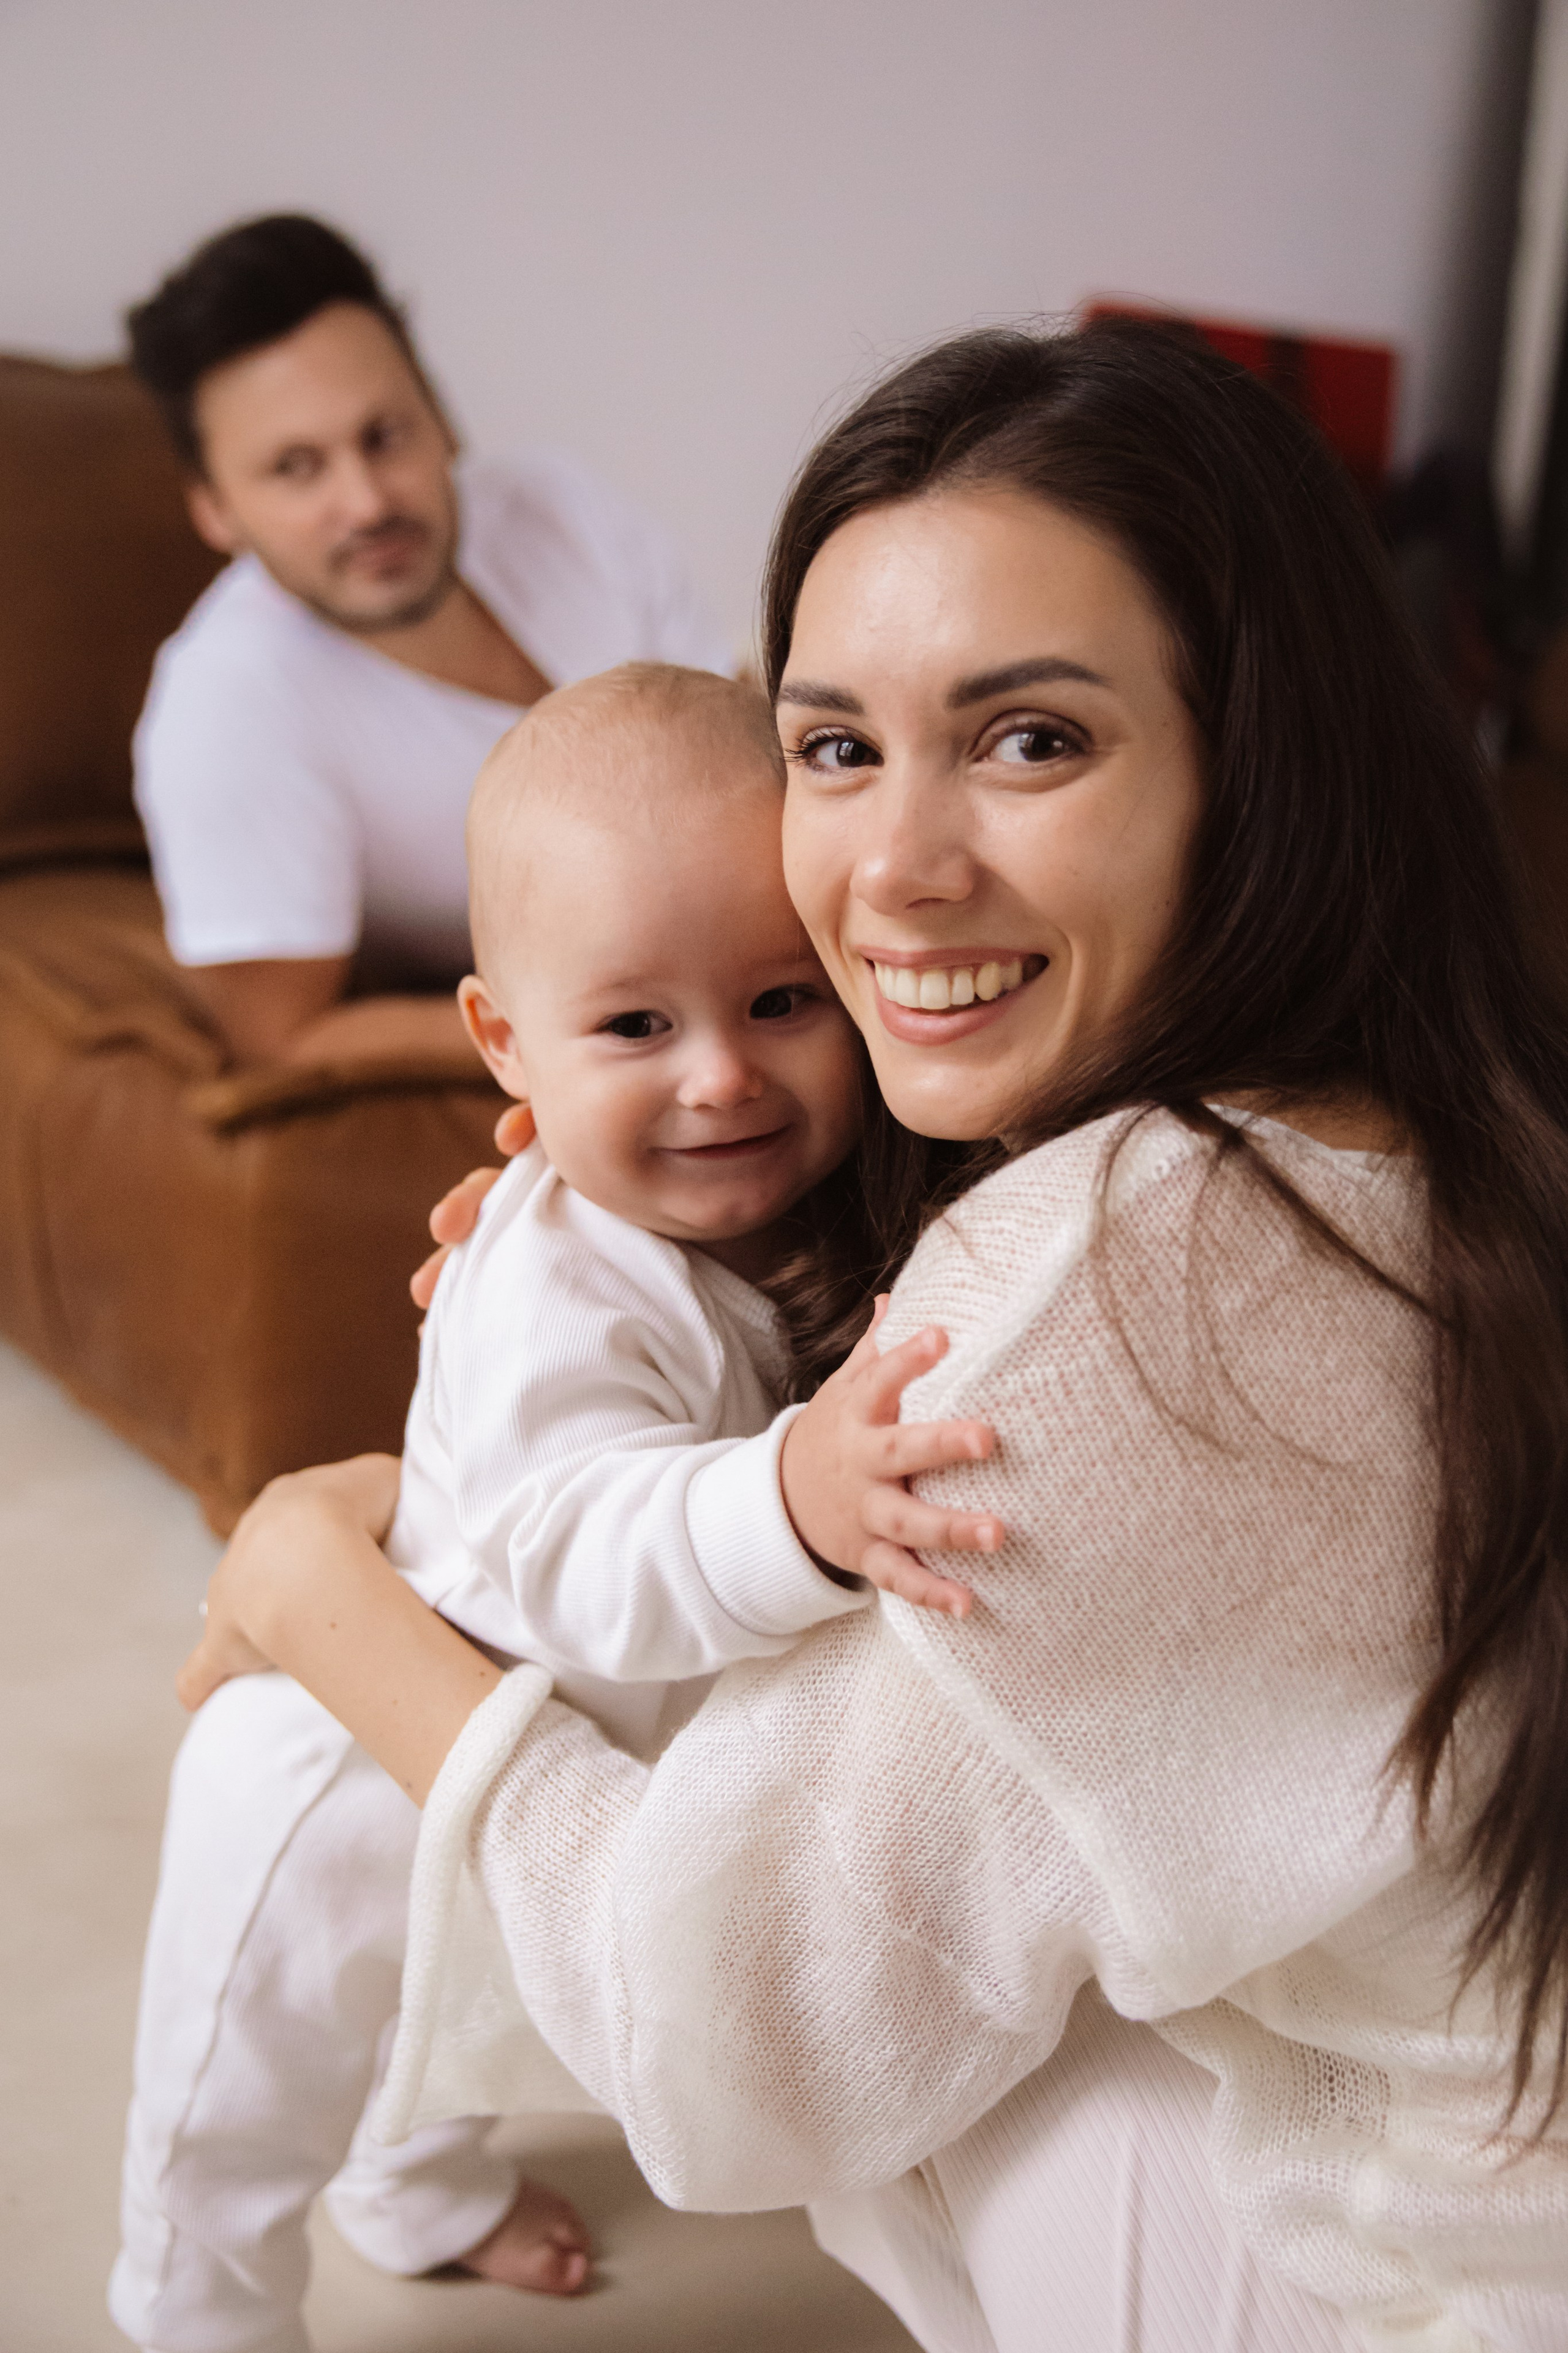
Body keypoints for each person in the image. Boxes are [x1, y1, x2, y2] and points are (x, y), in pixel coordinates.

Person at [179, 319, 1568, 2351]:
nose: (893, 875)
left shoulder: (1126, 1302)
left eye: (1029, 739)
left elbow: (709, 2039)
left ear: (1256, 764)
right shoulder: (1443, 1106)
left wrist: (328, 1594)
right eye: (834, 746)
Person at [113, 664, 990, 2353]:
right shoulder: (550, 1288)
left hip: (558, 1755)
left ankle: (416, 2189)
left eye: (781, 1002)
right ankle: (189, 2311)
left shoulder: (791, 1213)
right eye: (636, 1028)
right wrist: (792, 1502)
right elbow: (586, 1548)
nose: (722, 1079)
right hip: (342, 1766)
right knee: (241, 2093)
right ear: (505, 1042)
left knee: (456, 2022)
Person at [126, 214, 728, 1065]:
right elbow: (284, 1038)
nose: (368, 502)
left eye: (385, 435)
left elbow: (749, 753)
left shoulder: (558, 509)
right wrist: (600, 1039)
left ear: (443, 419)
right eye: (297, 468)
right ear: (215, 509)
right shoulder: (223, 704)